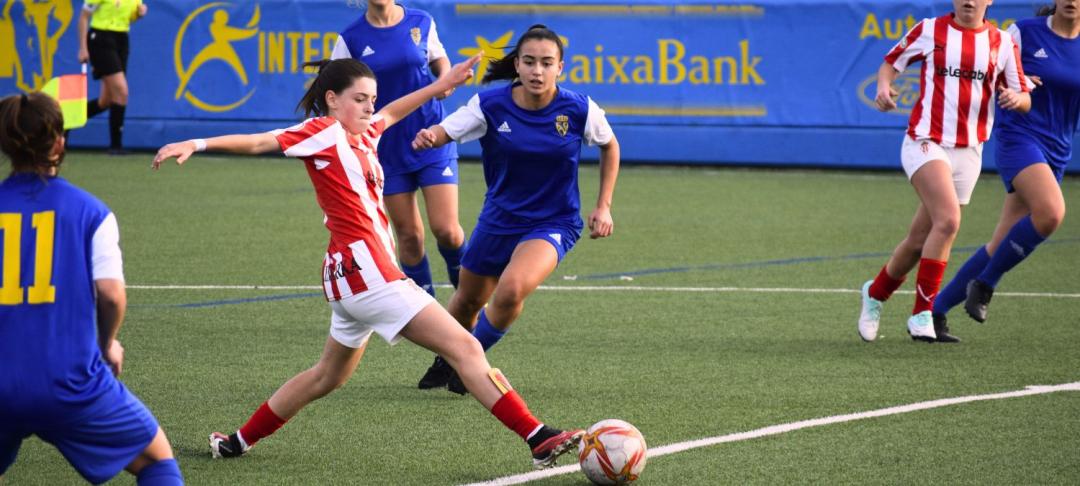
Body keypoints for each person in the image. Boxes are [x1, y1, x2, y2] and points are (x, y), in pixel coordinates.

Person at [151, 56, 583, 470]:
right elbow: (263, 141)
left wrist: (440, 86)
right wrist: (198, 142)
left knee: (327, 376)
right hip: (370, 274)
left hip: (348, 278)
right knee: (466, 348)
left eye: (371, 98)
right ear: (333, 99)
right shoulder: (321, 131)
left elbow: (393, 111)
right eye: (360, 99)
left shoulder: (366, 132)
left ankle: (235, 442)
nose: (370, 106)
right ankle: (537, 437)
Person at [411, 25, 620, 393]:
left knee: (510, 290)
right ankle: (448, 359)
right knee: (467, 301)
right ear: (518, 66)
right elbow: (446, 130)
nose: (537, 71)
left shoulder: (578, 108)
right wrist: (431, 136)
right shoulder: (491, 105)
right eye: (529, 62)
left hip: (553, 222)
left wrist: (603, 206)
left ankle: (468, 366)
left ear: (561, 68)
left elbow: (610, 145)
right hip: (499, 218)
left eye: (546, 63)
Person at [0, 93, 183, 485]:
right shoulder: (91, 212)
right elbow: (112, 295)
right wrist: (107, 344)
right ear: (60, 143)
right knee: (156, 461)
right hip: (70, 384)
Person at [857, 0, 1032, 343]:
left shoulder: (1002, 42)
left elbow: (1024, 94)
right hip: (925, 141)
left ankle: (875, 294)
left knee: (919, 241)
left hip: (970, 151)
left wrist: (1016, 99)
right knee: (949, 220)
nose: (969, 1)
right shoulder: (929, 29)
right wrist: (882, 87)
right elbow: (891, 63)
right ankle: (922, 313)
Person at [932, 0, 1080, 336]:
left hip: (1057, 149)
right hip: (1020, 137)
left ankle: (935, 311)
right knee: (1052, 213)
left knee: (999, 244)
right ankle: (985, 285)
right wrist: (1013, 82)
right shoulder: (1024, 32)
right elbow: (985, 62)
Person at [331, 0, 465, 301]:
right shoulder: (350, 38)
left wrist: (445, 81)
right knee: (409, 237)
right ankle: (425, 309)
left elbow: (439, 60)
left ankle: (469, 299)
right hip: (384, 148)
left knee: (447, 230)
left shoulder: (421, 21)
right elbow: (335, 94)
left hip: (430, 136)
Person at [77, 0, 147, 154]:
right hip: (100, 38)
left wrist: (138, 14)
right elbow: (83, 17)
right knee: (121, 91)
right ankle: (116, 146)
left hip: (122, 39)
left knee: (106, 100)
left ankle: (65, 122)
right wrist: (83, 48)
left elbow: (127, 18)